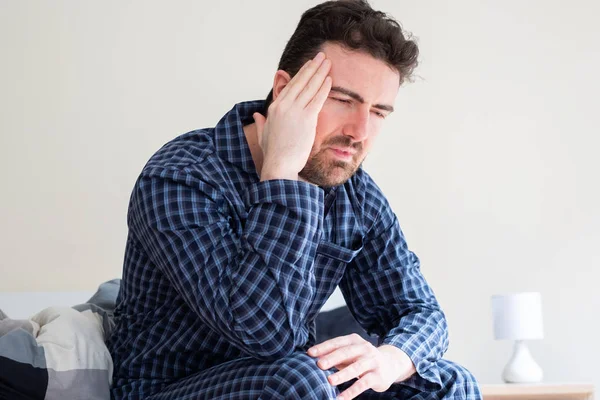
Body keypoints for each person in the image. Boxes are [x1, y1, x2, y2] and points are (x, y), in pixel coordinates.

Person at [107, 1, 481, 399]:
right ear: (286, 90)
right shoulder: (182, 177)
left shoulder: (354, 193)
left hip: (298, 385)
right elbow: (266, 335)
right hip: (169, 389)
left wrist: (392, 357)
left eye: (379, 112)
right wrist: (284, 173)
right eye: (342, 100)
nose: (359, 131)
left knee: (448, 383)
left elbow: (420, 312)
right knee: (297, 379)